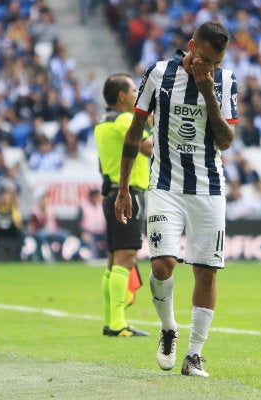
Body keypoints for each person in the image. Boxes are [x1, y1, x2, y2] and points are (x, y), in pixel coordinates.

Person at [115, 22, 238, 377]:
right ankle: (168, 327)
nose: (208, 68)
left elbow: (226, 140)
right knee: (162, 264)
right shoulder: (157, 73)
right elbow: (136, 128)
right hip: (165, 184)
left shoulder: (225, 82)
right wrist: (124, 189)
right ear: (190, 46)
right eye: (203, 60)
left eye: (214, 63)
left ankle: (194, 355)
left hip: (209, 187)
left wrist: (207, 91)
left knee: (207, 271)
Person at [94, 73, 153, 337]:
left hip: (110, 193)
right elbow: (149, 148)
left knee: (113, 259)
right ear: (121, 96)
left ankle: (111, 320)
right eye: (132, 91)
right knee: (126, 258)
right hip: (128, 194)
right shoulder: (126, 120)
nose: (136, 95)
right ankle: (118, 323)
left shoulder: (102, 122)